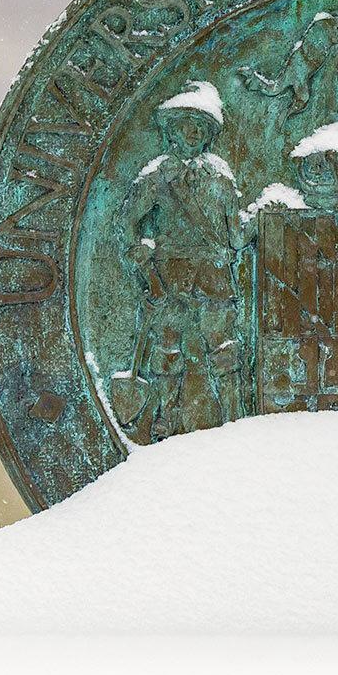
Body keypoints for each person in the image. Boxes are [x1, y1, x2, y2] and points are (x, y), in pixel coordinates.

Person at [117, 83, 250, 442]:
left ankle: (236, 416)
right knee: (167, 348)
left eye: (201, 126)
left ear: (209, 135)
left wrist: (257, 223)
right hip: (170, 272)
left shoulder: (220, 177)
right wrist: (137, 247)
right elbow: (128, 218)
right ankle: (165, 417)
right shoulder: (157, 176)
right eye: (186, 123)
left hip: (213, 273)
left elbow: (235, 237)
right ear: (172, 129)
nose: (193, 131)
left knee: (223, 347)